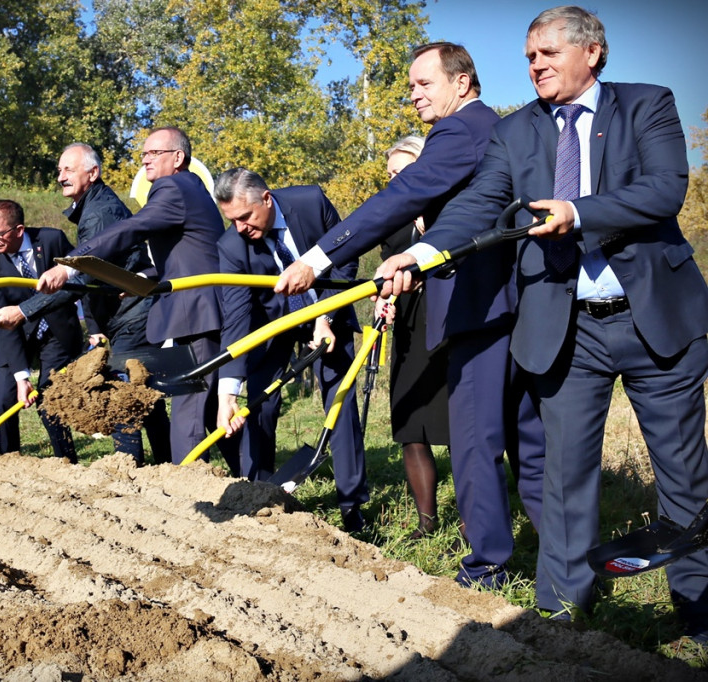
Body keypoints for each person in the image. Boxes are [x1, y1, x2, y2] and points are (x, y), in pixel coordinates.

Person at [379, 6, 708, 634]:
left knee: (685, 479)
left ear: (592, 52)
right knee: (563, 478)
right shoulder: (516, 131)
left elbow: (667, 188)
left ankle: (697, 612)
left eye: (549, 53)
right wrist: (419, 254)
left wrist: (578, 212)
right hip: (567, 330)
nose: (535, 66)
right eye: (530, 56)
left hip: (655, 323)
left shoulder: (646, 105)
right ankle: (561, 612)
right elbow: (479, 202)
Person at [274, 42, 545, 589]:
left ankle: (488, 564)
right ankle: (561, 560)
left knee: (473, 439)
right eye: (411, 87)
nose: (414, 96)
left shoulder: (462, 130)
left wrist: (317, 257)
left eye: (424, 84)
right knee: (527, 437)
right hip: (516, 305)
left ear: (462, 83)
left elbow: (404, 194)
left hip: (481, 305)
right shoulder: (497, 129)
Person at [36, 126, 239, 467]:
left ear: (178, 158)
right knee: (207, 407)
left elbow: (133, 227)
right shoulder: (189, 188)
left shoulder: (172, 186)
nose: (145, 159)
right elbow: (185, 253)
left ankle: (186, 488)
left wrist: (71, 265)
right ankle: (251, 477)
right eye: (143, 153)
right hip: (198, 308)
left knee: (191, 406)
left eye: (153, 153)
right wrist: (143, 277)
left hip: (199, 311)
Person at [214, 168, 370, 531]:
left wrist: (325, 315)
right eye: (231, 220)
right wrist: (227, 393)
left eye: (245, 217)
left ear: (266, 199)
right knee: (259, 404)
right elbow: (236, 319)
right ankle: (256, 495)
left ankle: (352, 507)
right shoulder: (232, 246)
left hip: (326, 308)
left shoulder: (311, 203)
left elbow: (347, 255)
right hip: (273, 325)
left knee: (340, 398)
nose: (240, 228)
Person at [52, 142, 171, 465]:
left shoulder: (100, 213)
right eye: (60, 170)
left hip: (133, 316)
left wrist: (26, 308)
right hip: (128, 316)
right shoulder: (92, 208)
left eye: (69, 169)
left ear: (93, 173)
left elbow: (84, 276)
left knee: (124, 395)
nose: (61, 176)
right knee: (146, 394)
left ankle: (127, 468)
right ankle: (167, 465)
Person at [377, 136, 450, 540]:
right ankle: (427, 526)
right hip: (406, 325)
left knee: (460, 424)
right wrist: (381, 297)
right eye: (390, 176)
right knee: (411, 426)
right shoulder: (393, 215)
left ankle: (479, 519)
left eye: (402, 173)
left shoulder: (452, 208)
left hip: (449, 322)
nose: (394, 181)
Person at [0, 199, 82, 460]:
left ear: (19, 229)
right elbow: (2, 321)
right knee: (4, 402)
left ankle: (66, 461)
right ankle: (9, 460)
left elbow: (82, 279)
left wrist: (93, 326)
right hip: (16, 334)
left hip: (56, 332)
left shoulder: (52, 240)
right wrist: (20, 376)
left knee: (49, 401)